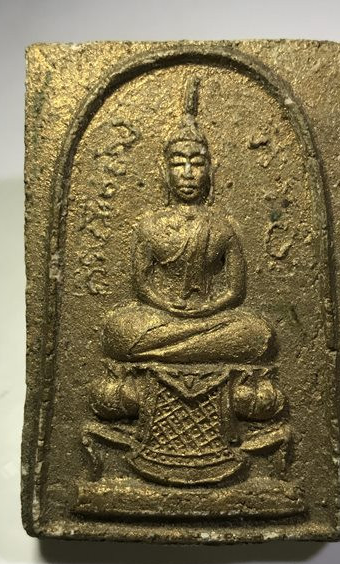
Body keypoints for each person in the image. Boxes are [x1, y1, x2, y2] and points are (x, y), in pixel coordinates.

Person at [103, 78, 273, 364]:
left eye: (196, 163)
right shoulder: (150, 227)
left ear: (210, 170)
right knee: (117, 330)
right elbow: (141, 285)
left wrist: (208, 309)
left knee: (257, 333)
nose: (187, 173)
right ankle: (196, 348)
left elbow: (235, 291)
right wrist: (167, 305)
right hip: (161, 318)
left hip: (210, 318)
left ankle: (172, 350)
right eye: (178, 163)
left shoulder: (221, 228)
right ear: (164, 171)